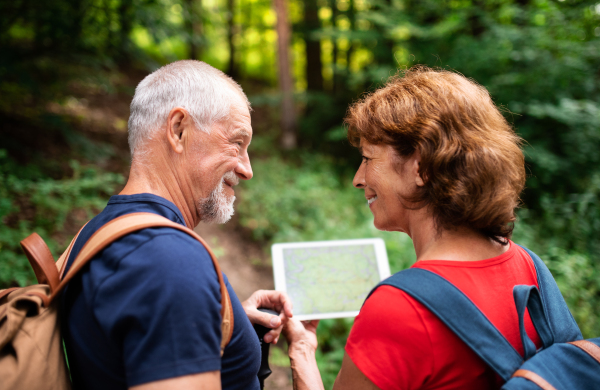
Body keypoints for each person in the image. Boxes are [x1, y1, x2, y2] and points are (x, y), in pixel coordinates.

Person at [282, 66, 566, 389]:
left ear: (420, 167)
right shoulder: (532, 271)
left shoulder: (398, 309)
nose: (358, 179)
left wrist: (302, 350)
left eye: (367, 158)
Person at [61, 60, 292, 390]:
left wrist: (222, 320)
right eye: (237, 143)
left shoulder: (98, 232)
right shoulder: (169, 263)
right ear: (178, 129)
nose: (246, 169)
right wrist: (188, 297)